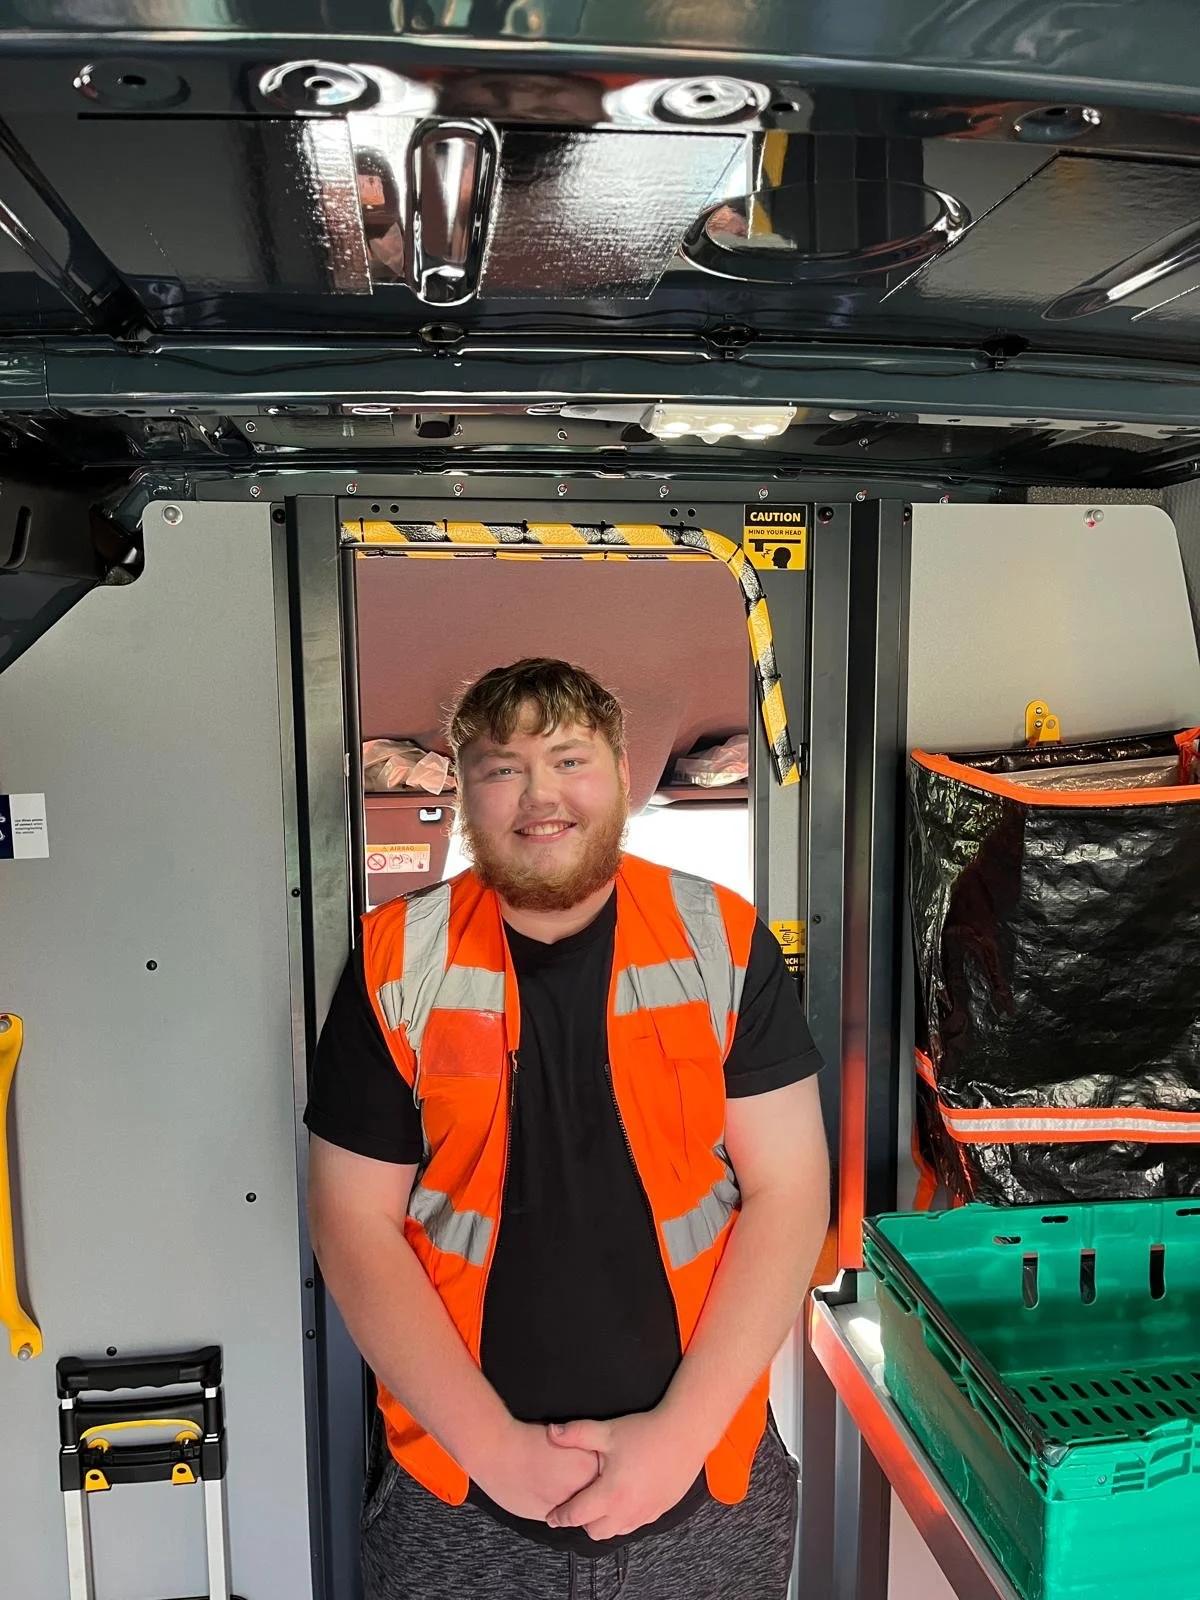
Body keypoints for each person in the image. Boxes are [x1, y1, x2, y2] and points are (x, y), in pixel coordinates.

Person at [305, 658, 830, 1600]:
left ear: (623, 776)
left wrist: (676, 1441)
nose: (539, 795)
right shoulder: (392, 961)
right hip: (458, 1502)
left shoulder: (723, 935)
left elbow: (790, 1191)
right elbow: (352, 1224)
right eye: (502, 766)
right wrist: (493, 1449)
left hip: (706, 1487)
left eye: (569, 759)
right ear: (464, 789)